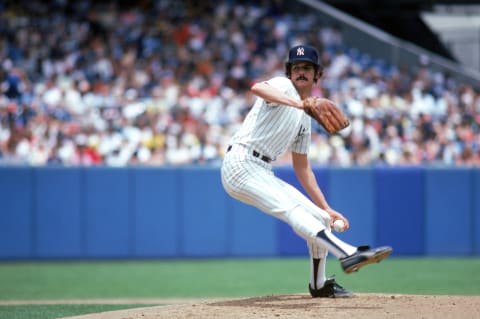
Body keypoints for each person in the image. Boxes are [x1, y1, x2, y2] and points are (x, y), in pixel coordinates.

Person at [221, 44, 392, 298]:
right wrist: (299, 105)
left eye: (307, 68)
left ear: (316, 75)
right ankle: (348, 253)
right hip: (241, 163)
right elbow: (258, 87)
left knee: (321, 219)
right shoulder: (283, 86)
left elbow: (302, 167)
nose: (301, 72)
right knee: (290, 210)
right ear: (289, 72)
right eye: (296, 67)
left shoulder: (304, 117)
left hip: (261, 169)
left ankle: (319, 284)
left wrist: (326, 207)